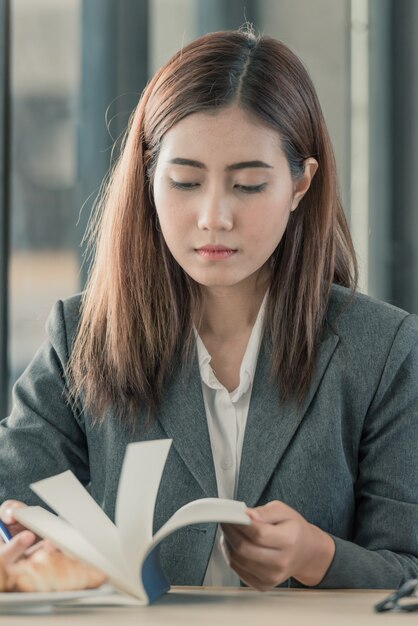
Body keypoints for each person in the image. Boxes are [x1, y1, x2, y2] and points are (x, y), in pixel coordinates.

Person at [0, 28, 417, 591]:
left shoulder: (384, 351)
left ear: (300, 183)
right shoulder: (80, 338)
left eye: (247, 185)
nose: (213, 217)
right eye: (185, 182)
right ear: (148, 177)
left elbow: (410, 568)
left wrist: (318, 556)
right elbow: (12, 506)